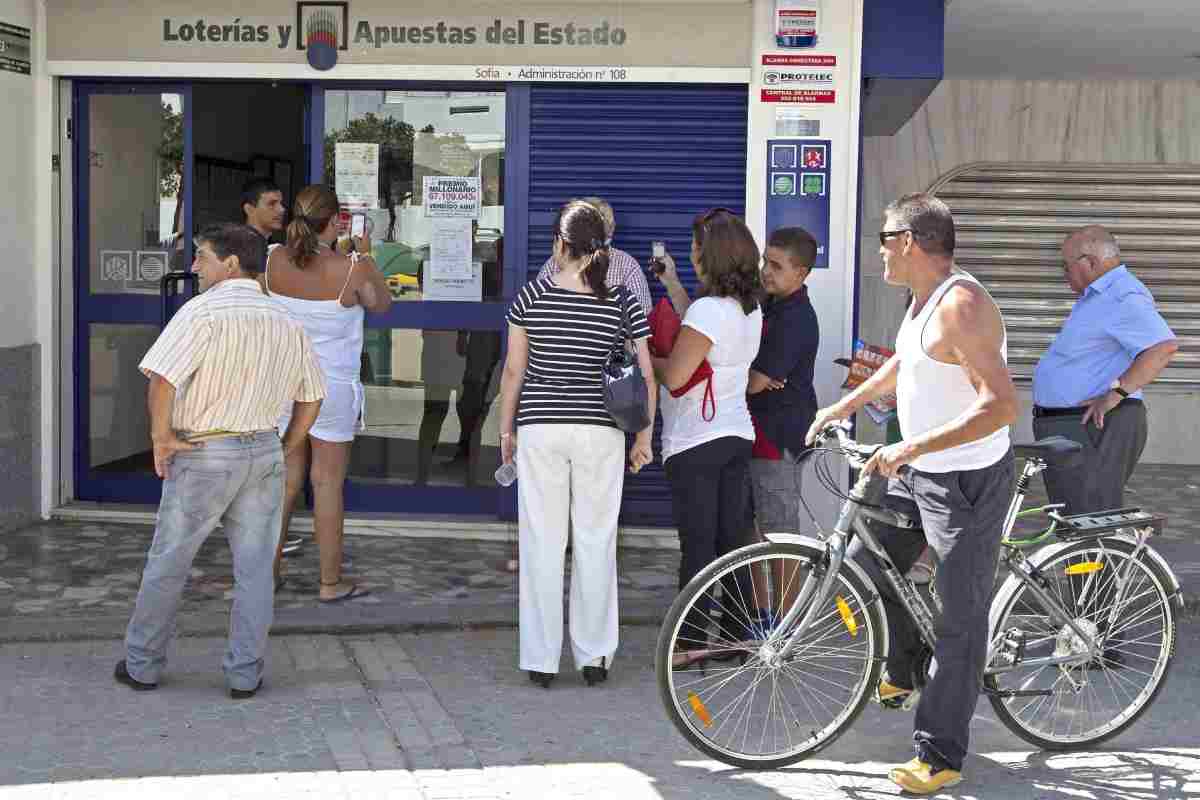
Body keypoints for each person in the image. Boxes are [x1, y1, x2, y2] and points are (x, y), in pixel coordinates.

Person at [806, 193, 1017, 795]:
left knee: (959, 617)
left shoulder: (963, 306)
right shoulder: (920, 301)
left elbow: (1000, 406)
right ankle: (902, 668)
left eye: (884, 238)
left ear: (911, 241)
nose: (879, 250)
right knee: (874, 564)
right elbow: (906, 362)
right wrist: (843, 404)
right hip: (919, 470)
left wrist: (911, 448)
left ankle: (941, 753)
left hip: (966, 480)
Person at [115, 223, 325, 699]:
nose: (193, 266)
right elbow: (312, 398)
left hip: (205, 452)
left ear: (231, 263)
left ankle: (143, 664)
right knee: (254, 570)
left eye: (202, 257)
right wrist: (287, 445)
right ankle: (244, 674)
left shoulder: (202, 312)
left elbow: (163, 379)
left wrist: (160, 439)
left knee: (170, 560)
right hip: (263, 450)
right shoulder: (285, 320)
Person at [497, 200, 655, 689]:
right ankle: (594, 657)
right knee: (595, 540)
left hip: (541, 429)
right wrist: (644, 435)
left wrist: (506, 432)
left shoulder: (531, 297)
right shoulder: (622, 301)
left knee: (542, 543)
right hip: (600, 431)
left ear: (560, 245)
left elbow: (513, 372)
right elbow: (646, 373)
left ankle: (542, 660)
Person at [266, 185, 393, 602]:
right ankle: (329, 582)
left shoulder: (272, 260)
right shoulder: (352, 269)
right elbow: (381, 304)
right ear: (336, 220)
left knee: (284, 483)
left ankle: (267, 575)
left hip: (283, 384)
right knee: (327, 484)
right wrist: (365, 253)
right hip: (331, 389)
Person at [649, 209, 764, 663]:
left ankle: (689, 644)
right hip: (737, 433)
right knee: (730, 542)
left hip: (696, 439)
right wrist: (673, 285)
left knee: (697, 543)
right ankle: (735, 637)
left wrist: (640, 356)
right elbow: (706, 339)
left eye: (696, 247)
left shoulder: (707, 311)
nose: (692, 254)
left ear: (708, 255)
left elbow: (676, 376)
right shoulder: (748, 309)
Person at [1032, 225, 1177, 514]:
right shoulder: (1098, 297)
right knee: (1075, 518)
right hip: (1073, 424)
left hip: (1092, 425)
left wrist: (1116, 393)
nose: (1063, 272)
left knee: (1090, 518)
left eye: (1066, 264)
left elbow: (1162, 347)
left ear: (1090, 262)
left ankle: (1106, 561)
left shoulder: (1121, 295)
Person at [747, 226, 820, 533]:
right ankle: (765, 585)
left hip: (778, 439)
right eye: (765, 262)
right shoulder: (771, 305)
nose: (765, 272)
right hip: (761, 434)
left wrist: (755, 373)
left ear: (801, 273)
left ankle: (789, 585)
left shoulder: (795, 318)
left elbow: (753, 384)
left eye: (776, 266)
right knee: (758, 528)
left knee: (778, 531)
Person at [536, 196, 652, 316]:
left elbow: (643, 313)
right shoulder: (554, 263)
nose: (609, 230)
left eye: (611, 224)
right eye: (603, 224)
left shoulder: (627, 265)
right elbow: (538, 309)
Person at [240, 177, 287, 242]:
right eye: (272, 204)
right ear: (249, 209)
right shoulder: (234, 248)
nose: (282, 209)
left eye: (281, 203)